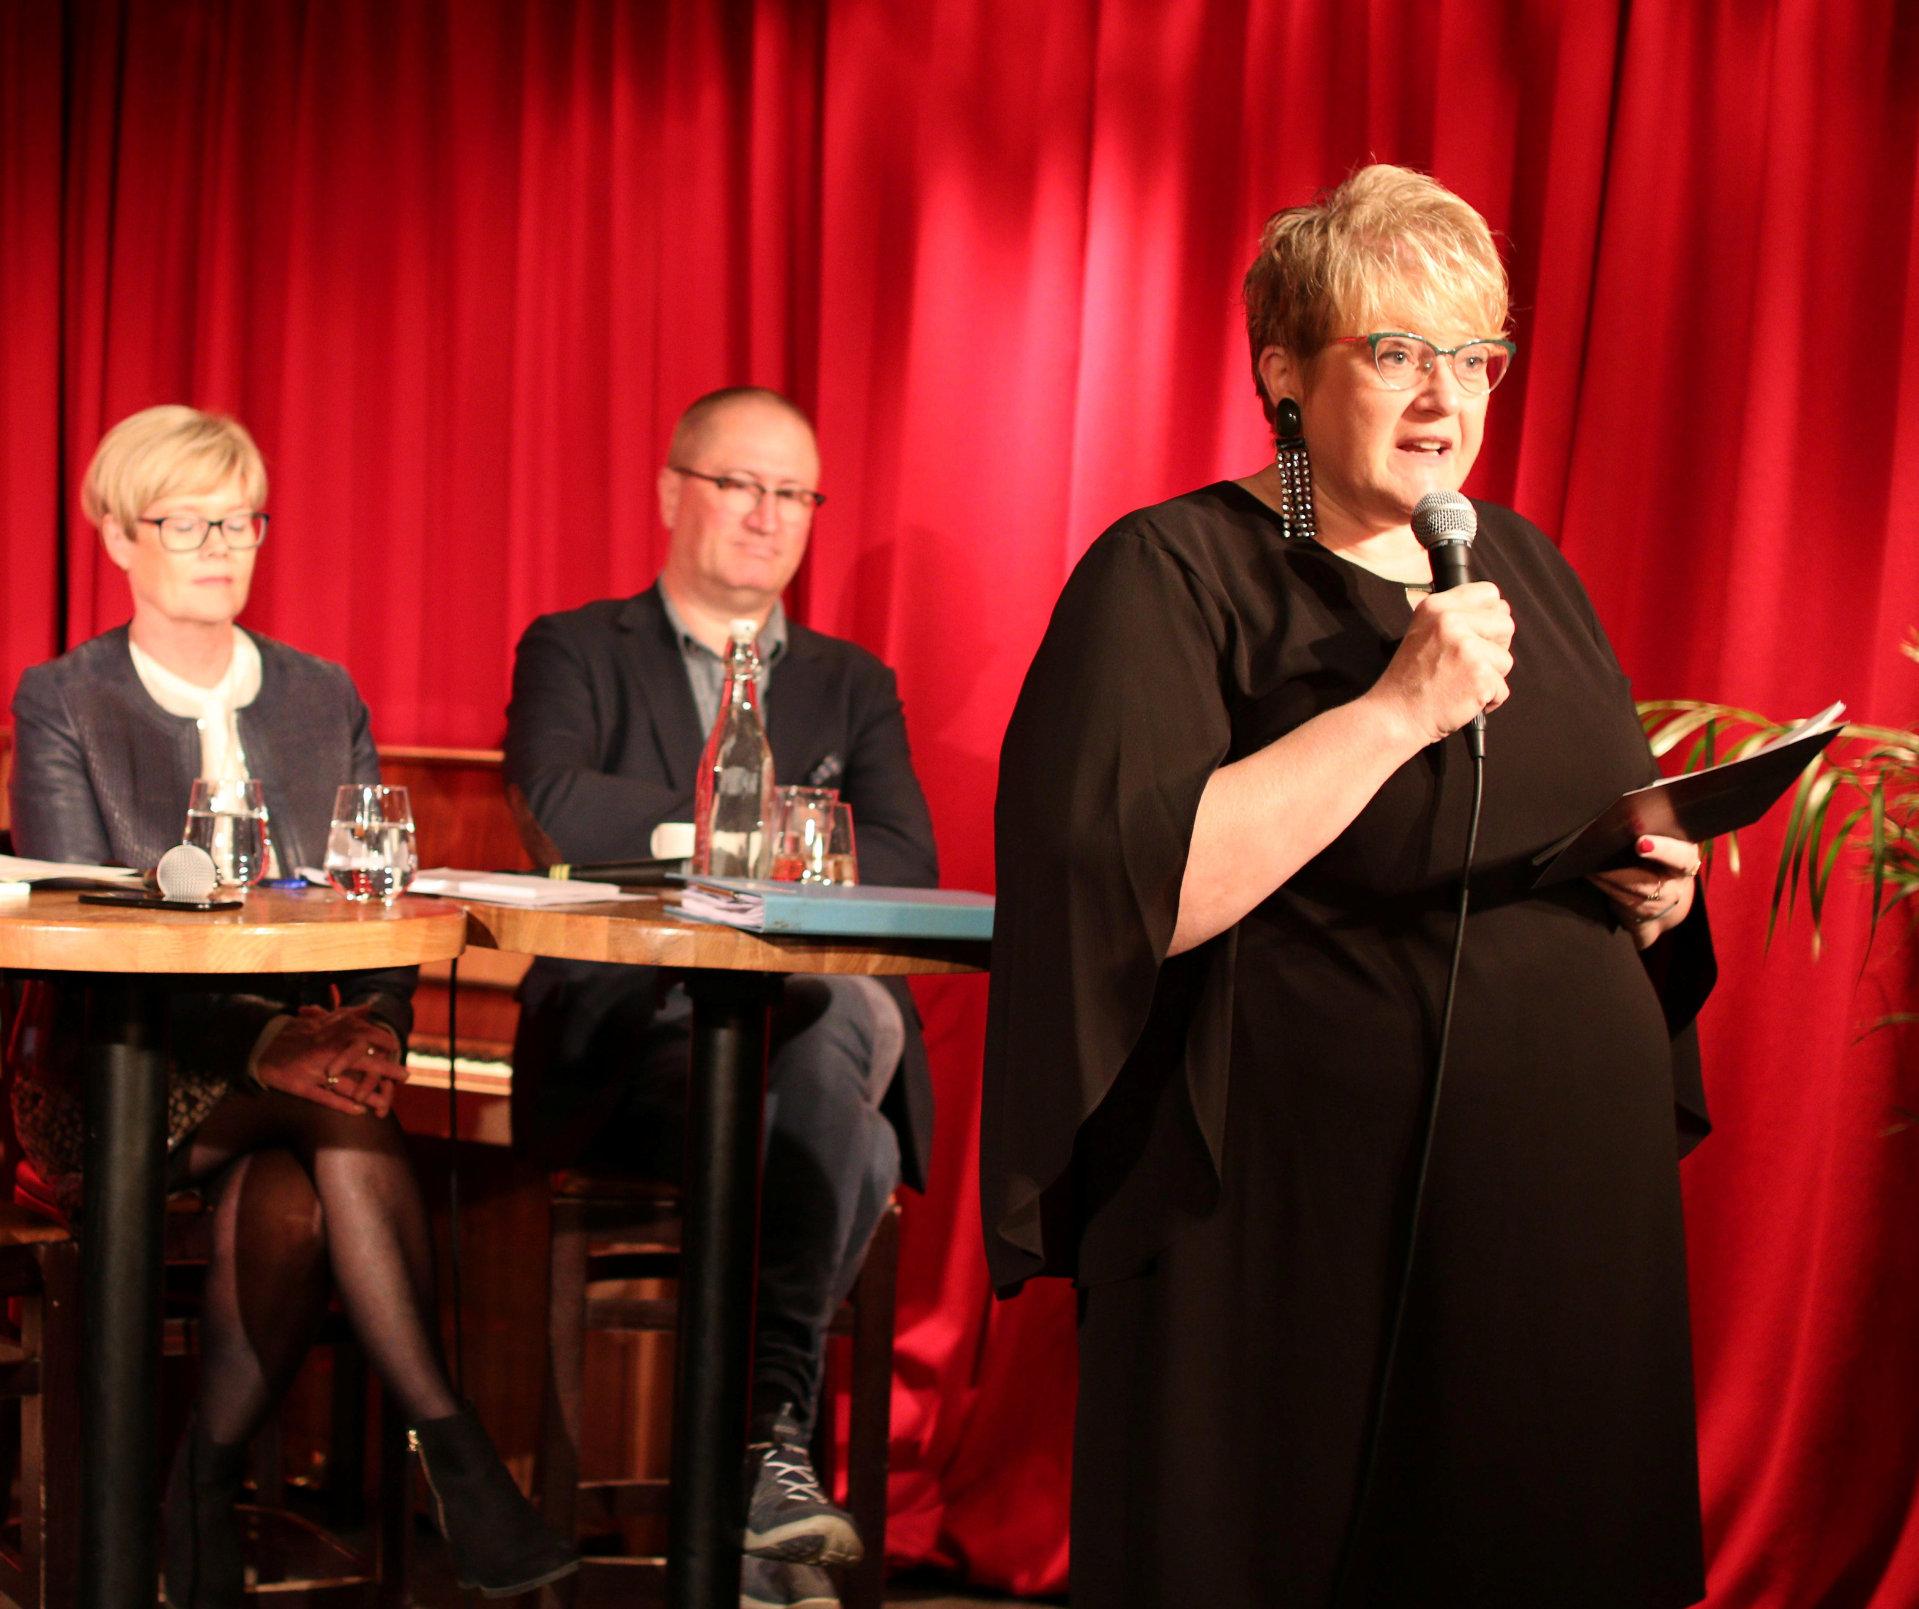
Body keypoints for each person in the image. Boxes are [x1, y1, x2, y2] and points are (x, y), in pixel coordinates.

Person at [981, 165, 1719, 1608]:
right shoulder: (1171, 571)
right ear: (1278, 370)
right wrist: (1391, 710)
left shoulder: (1519, 565)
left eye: (1473, 357)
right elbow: (1140, 890)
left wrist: (1658, 881)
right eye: (1394, 352)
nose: (1444, 394)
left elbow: (1599, 813)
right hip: (1294, 1231)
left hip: (1555, 1216)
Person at [5, 406, 578, 1606]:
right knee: (333, 1123)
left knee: (303, 1186)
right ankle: (448, 1441)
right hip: (120, 1072)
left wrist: (370, 1037)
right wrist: (271, 1044)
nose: (221, 545)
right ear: (120, 536)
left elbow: (382, 903)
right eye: (190, 521)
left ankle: (200, 1486)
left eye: (242, 521)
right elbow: (80, 937)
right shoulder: (65, 698)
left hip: (297, 1075)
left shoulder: (321, 694)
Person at [505, 386, 939, 1609]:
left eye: (792, 492)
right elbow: (557, 802)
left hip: (801, 1044)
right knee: (846, 1078)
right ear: (670, 494)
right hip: (634, 1044)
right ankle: (766, 1447)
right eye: (739, 484)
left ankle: (758, 1451)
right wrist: (745, 843)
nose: (766, 515)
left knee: (838, 1021)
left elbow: (904, 857)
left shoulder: (852, 683)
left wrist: (699, 846)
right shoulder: (579, 647)